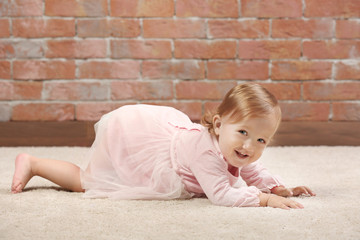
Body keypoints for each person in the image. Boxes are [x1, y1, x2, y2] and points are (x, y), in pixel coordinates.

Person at [11, 83, 315, 209]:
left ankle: (35, 164)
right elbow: (222, 194)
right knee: (87, 181)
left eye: (261, 140)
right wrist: (264, 201)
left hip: (161, 136)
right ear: (220, 125)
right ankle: (34, 164)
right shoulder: (206, 151)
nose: (250, 145)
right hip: (135, 140)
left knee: (90, 179)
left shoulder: (234, 146)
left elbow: (252, 170)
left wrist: (277, 188)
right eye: (244, 132)